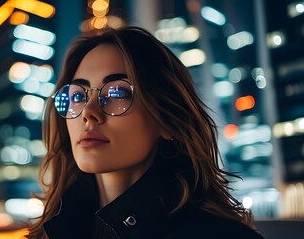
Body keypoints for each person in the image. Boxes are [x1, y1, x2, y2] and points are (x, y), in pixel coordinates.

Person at [27, 26, 265, 239]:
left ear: (166, 119)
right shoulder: (50, 231)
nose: (89, 112)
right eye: (78, 96)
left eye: (117, 94)